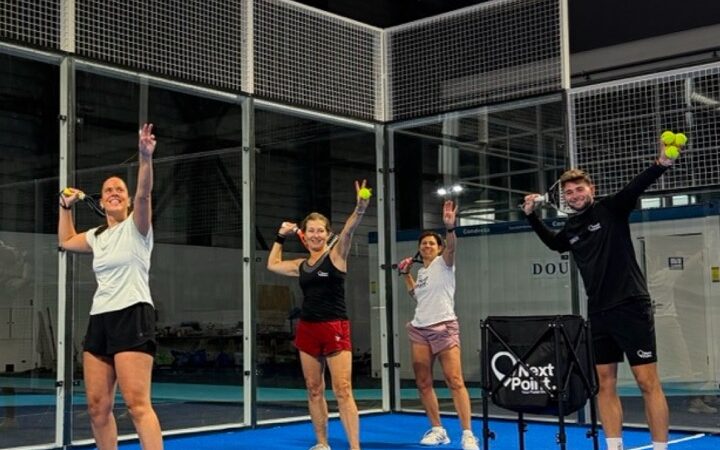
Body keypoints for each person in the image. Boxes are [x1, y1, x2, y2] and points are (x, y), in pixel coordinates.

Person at [521, 140, 677, 450]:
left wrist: (660, 163)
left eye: (580, 189)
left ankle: (660, 447)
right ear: (565, 198)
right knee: (605, 383)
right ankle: (614, 446)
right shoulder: (571, 227)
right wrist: (531, 216)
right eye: (569, 192)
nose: (575, 195)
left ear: (591, 189)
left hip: (631, 306)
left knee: (647, 383)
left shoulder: (611, 209)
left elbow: (635, 187)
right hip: (599, 312)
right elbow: (554, 244)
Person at [58, 123, 163, 450]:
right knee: (97, 407)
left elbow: (144, 193)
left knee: (137, 405)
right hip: (100, 319)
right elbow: (66, 241)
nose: (113, 192)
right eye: (107, 191)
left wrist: (145, 158)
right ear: (102, 202)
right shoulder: (97, 236)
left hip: (133, 314)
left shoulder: (138, 227)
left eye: (119, 189)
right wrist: (65, 207)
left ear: (128, 200)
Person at [267, 180, 370, 450]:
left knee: (343, 389)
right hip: (308, 330)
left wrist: (360, 208)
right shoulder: (301, 265)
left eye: (320, 231)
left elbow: (348, 231)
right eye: (311, 230)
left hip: (334, 327)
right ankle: (322, 443)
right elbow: (273, 264)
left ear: (327, 234)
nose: (315, 235)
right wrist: (280, 236)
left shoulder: (336, 256)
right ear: (305, 235)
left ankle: (355, 447)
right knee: (314, 389)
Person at [396, 200, 479, 450]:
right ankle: (438, 430)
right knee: (423, 383)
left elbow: (452, 247)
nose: (427, 246)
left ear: (439, 247)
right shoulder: (422, 273)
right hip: (419, 330)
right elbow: (417, 296)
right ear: (419, 249)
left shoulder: (445, 263)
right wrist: (406, 275)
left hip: (444, 328)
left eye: (432, 243)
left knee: (455, 380)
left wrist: (450, 227)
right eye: (423, 244)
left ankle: (467, 434)